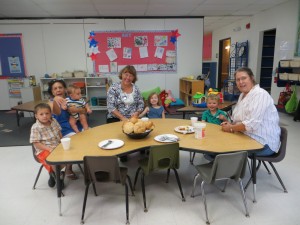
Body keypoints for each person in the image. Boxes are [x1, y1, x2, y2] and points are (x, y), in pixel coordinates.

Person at [221, 67, 281, 156]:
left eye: (244, 78)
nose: (241, 82)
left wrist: (231, 128)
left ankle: (224, 168)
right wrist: (230, 124)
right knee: (220, 139)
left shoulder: (260, 94)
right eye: (238, 80)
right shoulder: (243, 95)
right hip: (247, 135)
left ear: (251, 78)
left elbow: (251, 124)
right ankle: (219, 166)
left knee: (225, 146)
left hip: (263, 143)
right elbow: (240, 119)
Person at [48, 79, 85, 179]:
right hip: (63, 129)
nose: (58, 90)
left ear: (65, 89)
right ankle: (68, 168)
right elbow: (54, 111)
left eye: (60, 87)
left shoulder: (71, 98)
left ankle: (89, 163)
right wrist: (56, 100)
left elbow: (83, 110)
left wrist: (76, 109)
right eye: (55, 88)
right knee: (73, 142)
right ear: (52, 92)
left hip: (75, 125)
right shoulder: (51, 102)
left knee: (91, 135)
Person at [106, 65, 144, 161]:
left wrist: (137, 113)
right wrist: (122, 118)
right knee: (120, 134)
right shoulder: (113, 88)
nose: (128, 78)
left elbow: (141, 104)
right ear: (121, 75)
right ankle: (123, 152)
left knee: (141, 128)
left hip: (133, 117)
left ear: (134, 78)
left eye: (131, 75)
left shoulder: (136, 88)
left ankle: (142, 147)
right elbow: (111, 107)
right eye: (126, 74)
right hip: (116, 117)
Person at [30, 103, 64, 188]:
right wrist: (48, 148)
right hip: (43, 150)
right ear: (36, 116)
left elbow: (59, 133)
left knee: (69, 158)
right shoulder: (35, 127)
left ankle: (53, 173)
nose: (44, 116)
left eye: (47, 113)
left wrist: (62, 142)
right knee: (53, 160)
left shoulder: (54, 121)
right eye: (41, 114)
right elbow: (36, 143)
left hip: (57, 146)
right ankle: (58, 176)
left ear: (51, 114)